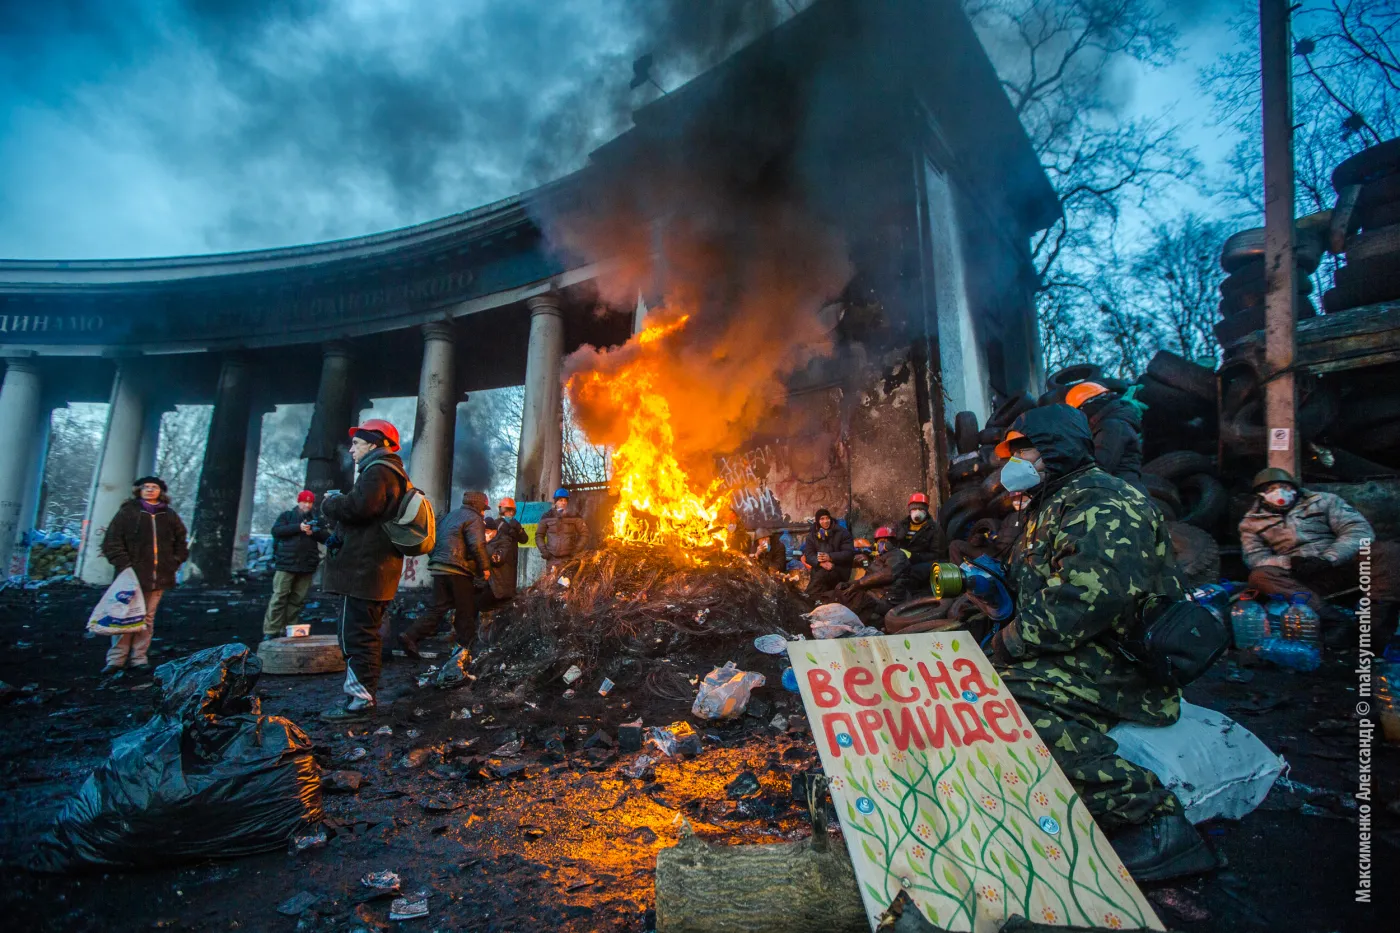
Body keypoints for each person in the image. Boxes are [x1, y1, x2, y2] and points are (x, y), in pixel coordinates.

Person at [987, 405, 1214, 883]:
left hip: (1123, 663)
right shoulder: (1055, 500)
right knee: (980, 685)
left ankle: (1154, 820)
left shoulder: (1103, 503)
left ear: (1054, 448)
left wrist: (1008, 642)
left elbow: (1079, 604)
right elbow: (1041, 586)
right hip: (1085, 648)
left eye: (1023, 449)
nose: (1014, 461)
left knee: (1010, 702)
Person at [318, 419, 408, 722]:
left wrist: (331, 503)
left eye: (357, 443)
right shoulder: (389, 472)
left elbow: (359, 508)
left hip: (364, 571)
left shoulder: (379, 471)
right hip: (374, 570)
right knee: (364, 632)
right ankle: (362, 697)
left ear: (373, 443)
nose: (352, 448)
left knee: (356, 635)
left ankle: (359, 701)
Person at [1240, 467, 1395, 624]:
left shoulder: (1325, 501)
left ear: (1295, 488)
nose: (1279, 493)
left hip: (1342, 564)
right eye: (1271, 489)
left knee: (1385, 551)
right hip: (1304, 578)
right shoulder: (1251, 523)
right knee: (1259, 576)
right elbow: (1254, 557)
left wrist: (1329, 558)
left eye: (1285, 487)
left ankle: (1378, 615)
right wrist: (1290, 562)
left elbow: (1359, 531)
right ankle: (1333, 620)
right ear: (1260, 494)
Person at [99, 476, 189, 675]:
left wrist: (174, 561)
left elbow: (181, 541)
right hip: (130, 575)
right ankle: (116, 659)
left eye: (154, 487)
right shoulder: (127, 513)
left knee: (147, 618)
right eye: (145, 487)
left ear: (161, 491)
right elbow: (111, 542)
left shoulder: (169, 515)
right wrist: (125, 565)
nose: (149, 490)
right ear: (138, 490)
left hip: (159, 576)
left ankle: (139, 657)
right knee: (124, 615)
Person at [399, 490, 492, 660]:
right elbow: (477, 545)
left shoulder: (449, 516)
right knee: (466, 610)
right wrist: (485, 568)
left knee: (437, 608)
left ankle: (410, 635)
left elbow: (433, 541)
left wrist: (436, 559)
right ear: (478, 505)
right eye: (484, 508)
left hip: (439, 568)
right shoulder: (474, 518)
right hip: (458, 569)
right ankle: (465, 651)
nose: (484, 512)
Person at [262, 490, 330, 641]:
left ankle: (289, 628)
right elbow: (276, 531)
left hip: (306, 565)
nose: (306, 505)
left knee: (297, 599)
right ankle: (271, 630)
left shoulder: (316, 520)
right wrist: (298, 528)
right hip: (286, 564)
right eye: (304, 501)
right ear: (298, 501)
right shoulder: (286, 516)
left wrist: (314, 532)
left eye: (309, 502)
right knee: (279, 597)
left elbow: (326, 537)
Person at [1066, 381, 1146, 493]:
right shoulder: (1109, 423)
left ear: (1087, 406)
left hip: (1126, 495)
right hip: (1121, 491)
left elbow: (1100, 466)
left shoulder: (1113, 426)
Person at [835, 526, 910, 623]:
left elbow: (887, 574)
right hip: (874, 594)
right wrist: (850, 584)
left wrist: (859, 584)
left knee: (854, 601)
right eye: (880, 541)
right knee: (842, 589)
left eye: (886, 540)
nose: (882, 544)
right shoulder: (879, 558)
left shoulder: (897, 555)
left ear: (892, 542)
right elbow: (868, 578)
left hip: (887, 600)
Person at [481, 497, 528, 611]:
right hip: (499, 563)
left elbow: (524, 539)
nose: (510, 513)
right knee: (499, 589)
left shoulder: (515, 525)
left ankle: (503, 611)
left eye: (512, 511)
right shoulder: (495, 525)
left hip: (511, 562)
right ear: (502, 510)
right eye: (507, 510)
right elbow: (491, 545)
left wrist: (519, 529)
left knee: (508, 590)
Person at [894, 492, 945, 595]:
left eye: (921, 509)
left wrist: (914, 556)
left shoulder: (934, 529)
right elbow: (892, 543)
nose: (917, 512)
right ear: (909, 510)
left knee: (912, 573)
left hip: (921, 563)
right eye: (914, 509)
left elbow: (938, 555)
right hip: (901, 560)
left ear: (926, 511)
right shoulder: (901, 526)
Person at [802, 508, 855, 597]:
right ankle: (816, 598)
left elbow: (848, 553)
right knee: (820, 575)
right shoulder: (812, 536)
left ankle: (809, 596)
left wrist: (830, 557)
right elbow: (809, 554)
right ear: (818, 521)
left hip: (839, 569)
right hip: (820, 568)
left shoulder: (842, 533)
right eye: (822, 519)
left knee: (821, 576)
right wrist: (820, 563)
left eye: (827, 518)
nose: (826, 521)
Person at [536, 487, 591, 570]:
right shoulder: (547, 516)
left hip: (569, 559)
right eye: (560, 500)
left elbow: (585, 533)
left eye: (565, 500)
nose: (563, 503)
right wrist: (544, 551)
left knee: (568, 582)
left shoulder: (574, 516)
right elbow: (539, 535)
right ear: (556, 502)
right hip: (552, 560)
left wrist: (576, 551)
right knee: (551, 582)